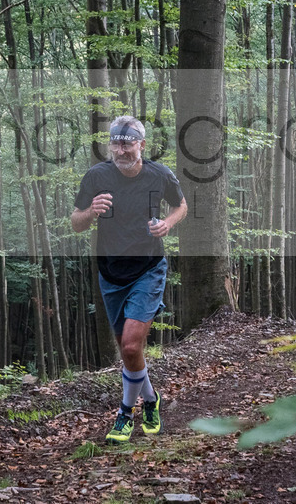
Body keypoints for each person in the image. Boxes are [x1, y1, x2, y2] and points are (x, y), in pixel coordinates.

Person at [71, 115, 187, 444]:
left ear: (141, 144)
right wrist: (90, 212)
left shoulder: (159, 174)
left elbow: (182, 205)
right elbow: (76, 222)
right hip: (110, 272)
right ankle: (151, 401)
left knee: (132, 344)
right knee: (129, 352)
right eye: (117, 143)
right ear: (110, 145)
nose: (122, 149)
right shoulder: (96, 177)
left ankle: (125, 413)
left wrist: (168, 223)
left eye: (128, 142)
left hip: (148, 268)